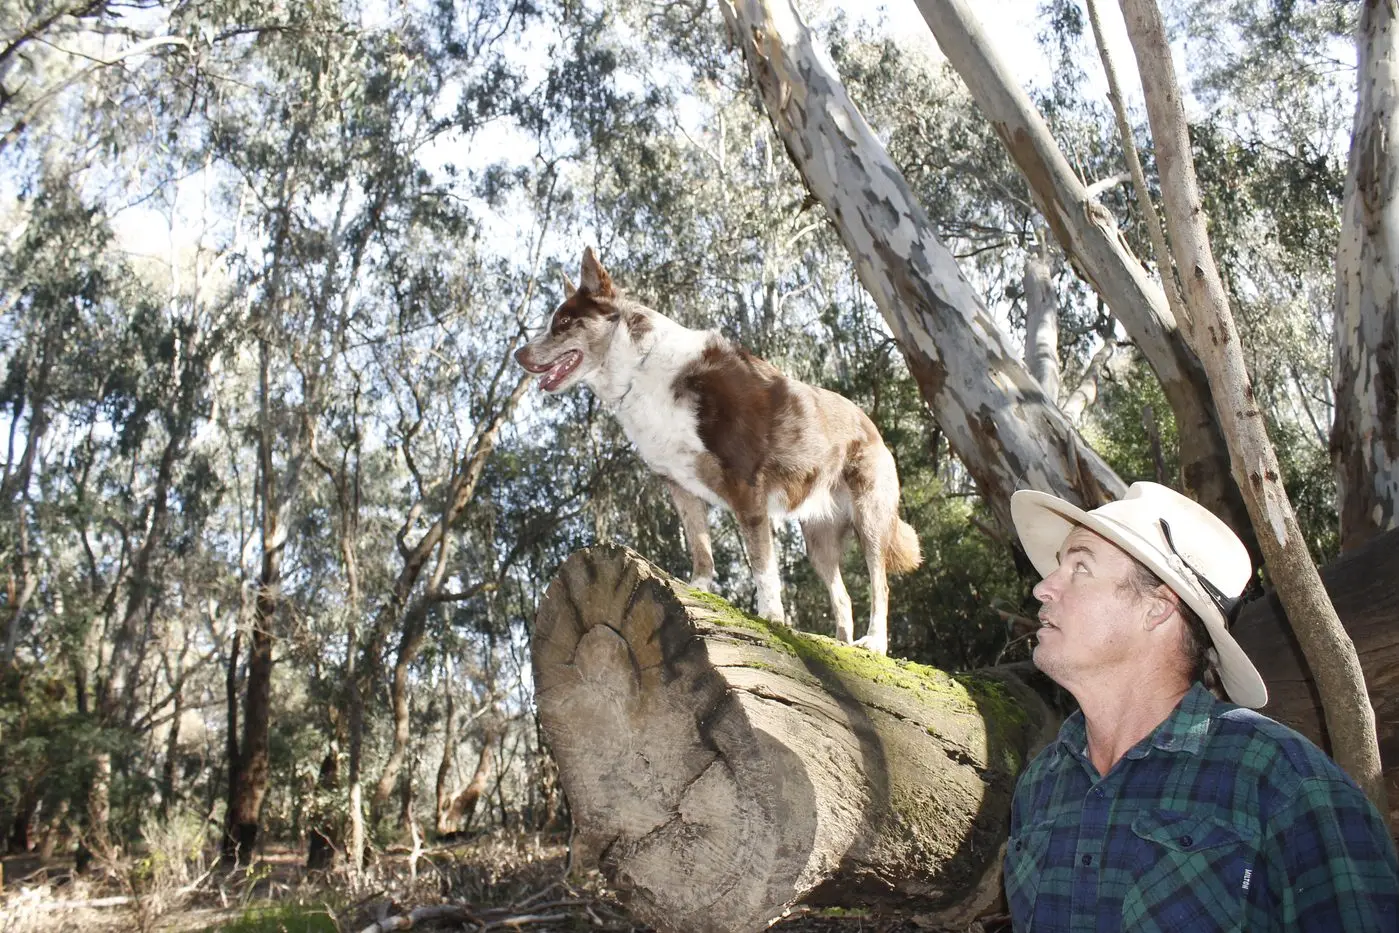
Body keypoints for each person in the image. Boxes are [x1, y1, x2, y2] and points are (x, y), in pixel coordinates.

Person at [1004, 481, 1399, 931]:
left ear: (1156, 609)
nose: (1044, 588)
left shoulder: (1285, 782)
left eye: (1080, 567)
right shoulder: (1041, 785)